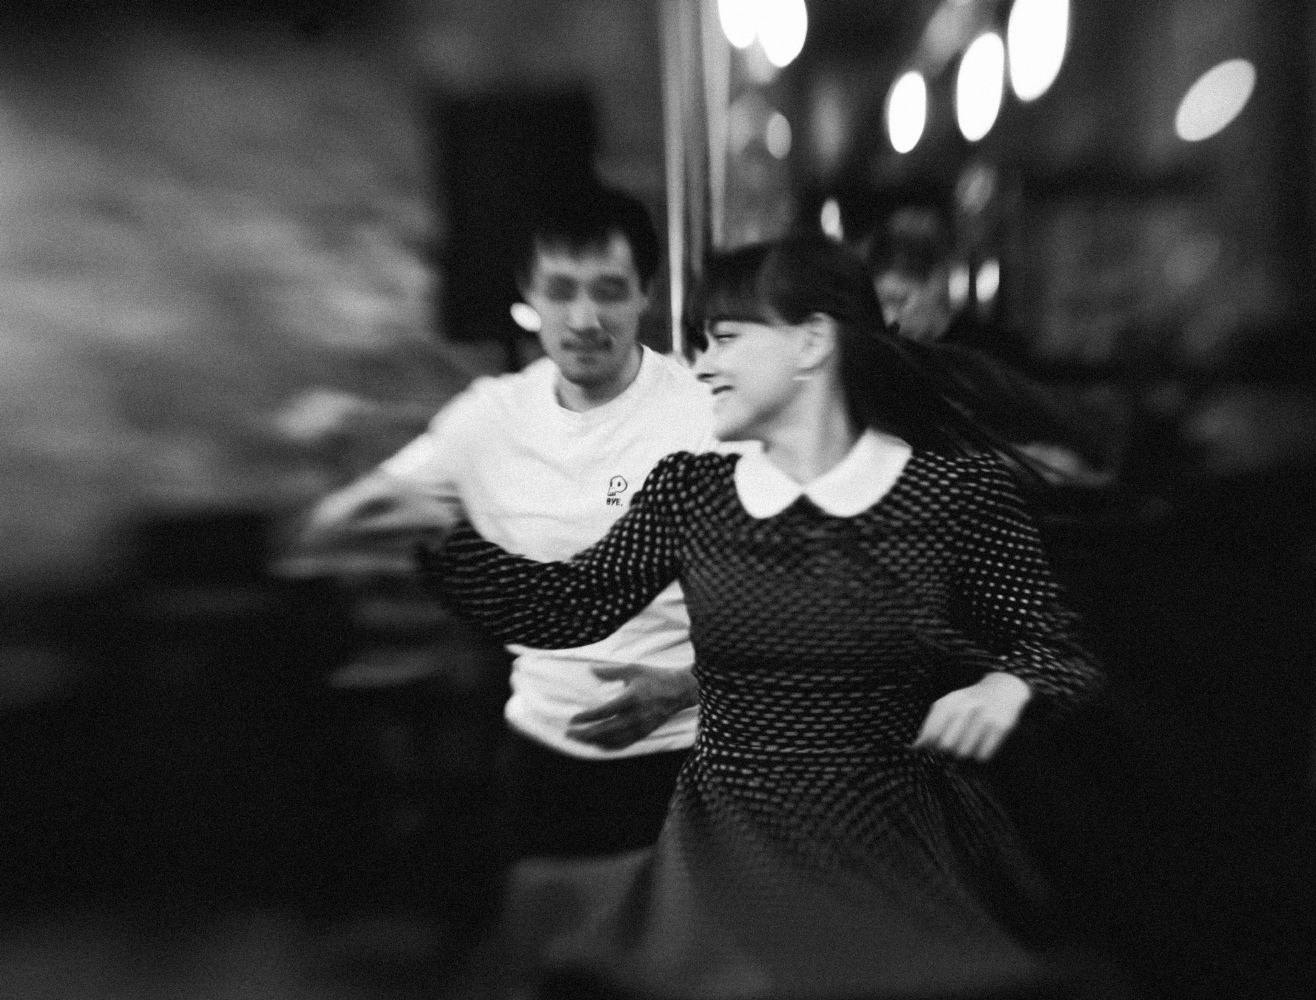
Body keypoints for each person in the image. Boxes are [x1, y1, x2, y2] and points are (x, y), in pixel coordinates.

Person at [417, 233, 1114, 999]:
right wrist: (434, 537)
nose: (702, 366)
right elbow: (560, 608)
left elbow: (1058, 651)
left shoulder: (956, 495)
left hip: (896, 845)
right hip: (725, 852)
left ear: (811, 342)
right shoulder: (691, 492)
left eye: (725, 340)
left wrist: (1006, 687)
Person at [299, 184, 715, 865]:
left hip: (685, 757)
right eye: (561, 291)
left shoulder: (706, 418)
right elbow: (354, 512)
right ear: (530, 295)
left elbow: (792, 613)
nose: (584, 318)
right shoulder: (490, 414)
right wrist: (351, 501)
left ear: (646, 293)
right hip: (540, 756)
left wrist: (686, 687)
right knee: (547, 927)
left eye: (609, 291)